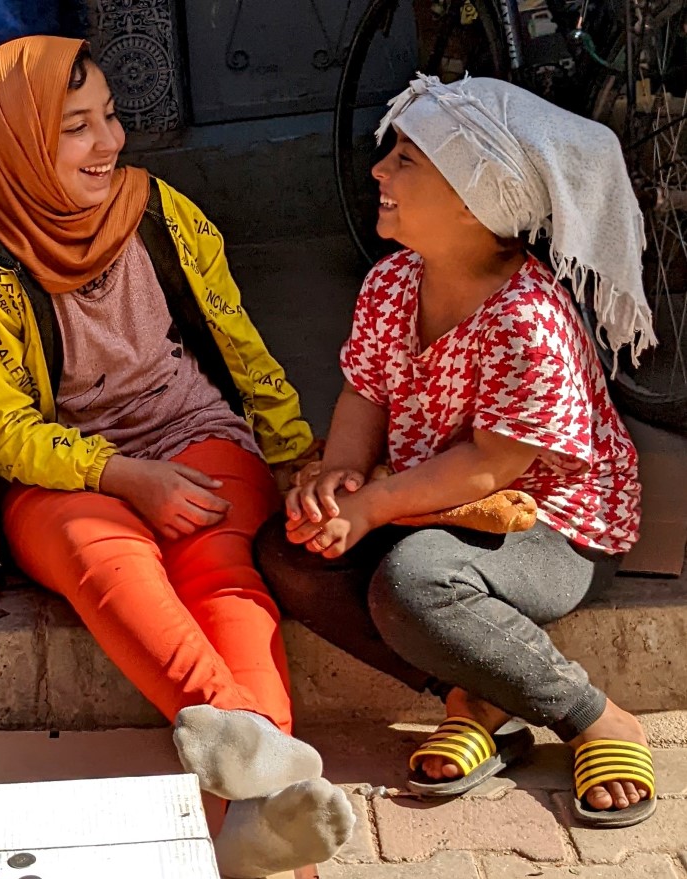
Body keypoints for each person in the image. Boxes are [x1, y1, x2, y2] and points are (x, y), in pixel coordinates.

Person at [0, 35, 354, 877]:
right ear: (14, 141)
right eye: (76, 127)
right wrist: (122, 476)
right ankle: (257, 787)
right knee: (111, 561)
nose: (110, 143)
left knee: (222, 572)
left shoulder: (160, 212)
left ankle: (249, 804)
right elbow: (3, 429)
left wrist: (293, 453)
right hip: (64, 467)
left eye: (109, 117)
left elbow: (239, 346)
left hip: (190, 428)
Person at [257, 75, 657, 827]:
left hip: (551, 526)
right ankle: (475, 700)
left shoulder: (526, 321)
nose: (379, 169)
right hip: (433, 500)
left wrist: (374, 505)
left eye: (406, 160)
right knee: (289, 552)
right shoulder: (391, 283)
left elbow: (490, 467)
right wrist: (341, 476)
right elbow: (365, 394)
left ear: (474, 203)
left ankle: (595, 717)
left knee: (415, 582)